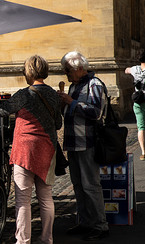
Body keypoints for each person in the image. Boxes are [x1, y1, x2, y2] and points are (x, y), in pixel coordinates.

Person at [0, 55, 62, 244]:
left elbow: (1, 111)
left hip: (25, 152)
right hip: (47, 150)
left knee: (23, 199)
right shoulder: (54, 94)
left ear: (28, 72)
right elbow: (58, 124)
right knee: (46, 198)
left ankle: (23, 241)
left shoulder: (25, 94)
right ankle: (47, 239)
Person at [57, 51, 109, 241]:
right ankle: (85, 222)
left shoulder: (95, 85)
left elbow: (96, 113)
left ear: (80, 68)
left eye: (68, 70)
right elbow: (69, 114)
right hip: (73, 142)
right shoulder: (74, 86)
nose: (66, 73)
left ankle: (100, 225)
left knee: (90, 185)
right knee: (78, 185)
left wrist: (71, 102)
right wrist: (63, 102)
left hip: (87, 142)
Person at [125, 51, 145, 161]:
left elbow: (126, 70)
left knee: (141, 127)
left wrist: (130, 70)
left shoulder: (135, 69)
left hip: (138, 102)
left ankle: (143, 151)